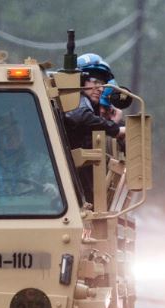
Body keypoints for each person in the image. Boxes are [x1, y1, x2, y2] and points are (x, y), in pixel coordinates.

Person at [63, 53, 126, 203]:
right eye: (95, 82)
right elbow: (79, 116)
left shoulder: (93, 111)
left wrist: (114, 123)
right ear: (81, 81)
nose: (99, 88)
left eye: (102, 84)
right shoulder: (76, 101)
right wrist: (115, 130)